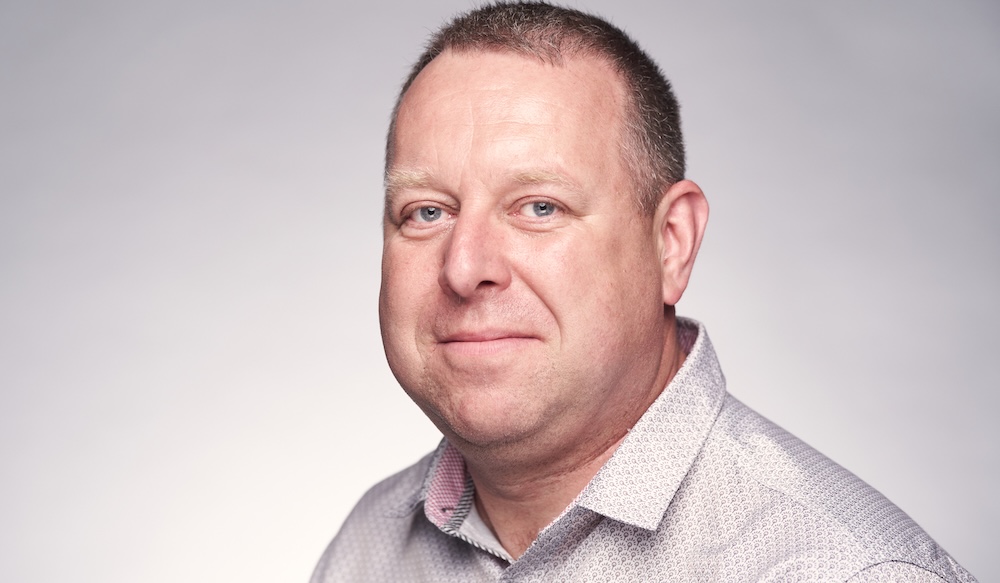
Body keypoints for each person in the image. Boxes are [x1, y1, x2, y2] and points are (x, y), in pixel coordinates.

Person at [311, 2, 976, 581]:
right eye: (426, 212)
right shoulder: (368, 549)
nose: (464, 267)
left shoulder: (848, 571)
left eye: (539, 207)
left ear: (671, 244)